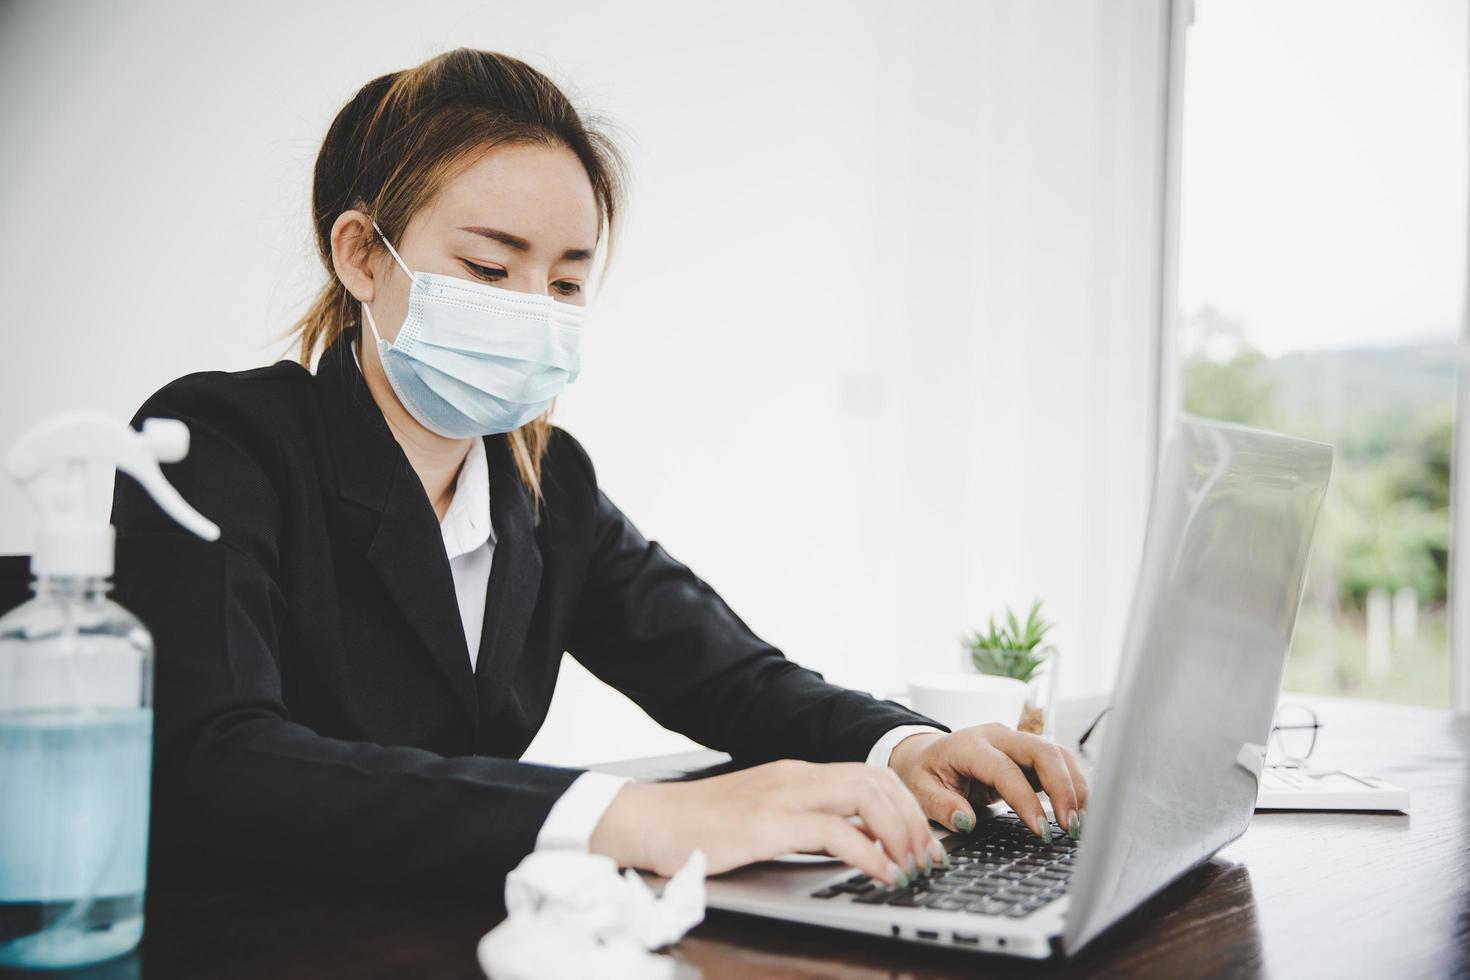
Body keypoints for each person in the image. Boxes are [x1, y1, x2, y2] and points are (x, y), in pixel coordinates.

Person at [110, 47, 1087, 902]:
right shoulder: (216, 440)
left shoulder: (545, 482)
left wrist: (903, 744)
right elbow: (218, 759)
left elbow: (731, 676)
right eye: (491, 269)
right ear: (363, 254)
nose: (535, 308)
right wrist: (639, 818)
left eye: (568, 280)